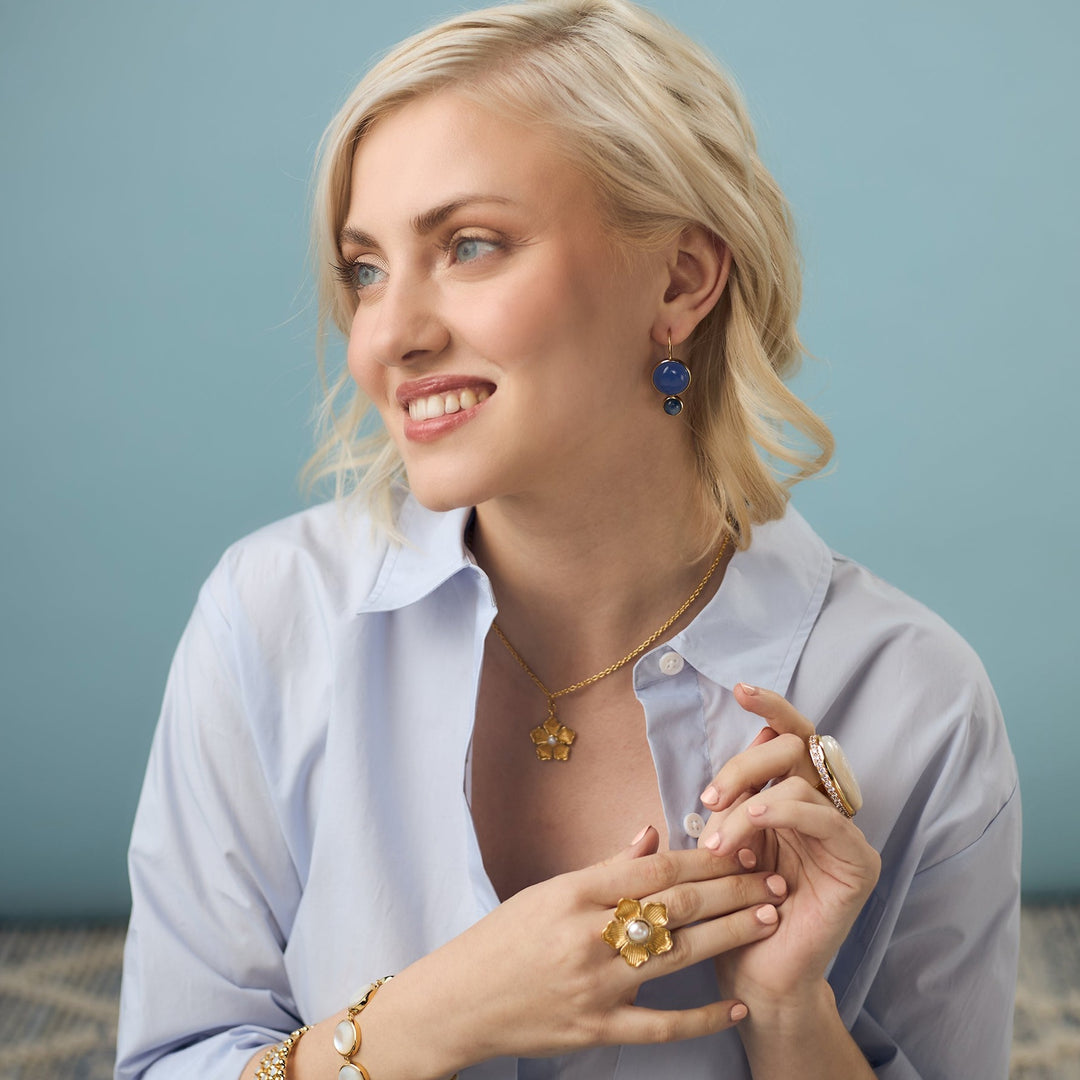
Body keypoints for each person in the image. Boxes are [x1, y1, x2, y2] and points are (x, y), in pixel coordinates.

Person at [114, 1, 1021, 1077]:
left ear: (682, 280)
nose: (386, 338)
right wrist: (427, 1020)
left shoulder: (916, 704)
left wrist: (789, 1016)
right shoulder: (269, 618)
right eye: (365, 268)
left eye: (469, 246)